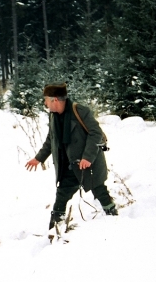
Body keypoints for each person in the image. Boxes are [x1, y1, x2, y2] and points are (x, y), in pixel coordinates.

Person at [25, 82, 118, 230]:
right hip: (68, 165)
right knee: (61, 195)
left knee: (99, 190)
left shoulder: (80, 111)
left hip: (87, 162)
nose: (45, 103)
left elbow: (96, 133)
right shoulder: (53, 116)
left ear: (55, 99)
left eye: (46, 100)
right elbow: (51, 139)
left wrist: (87, 157)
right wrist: (39, 158)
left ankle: (115, 218)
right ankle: (55, 228)